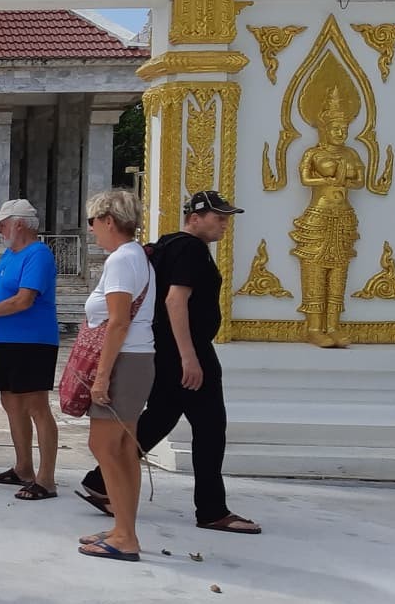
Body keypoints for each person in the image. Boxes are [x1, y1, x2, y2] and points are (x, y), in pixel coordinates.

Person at [80, 191, 260, 535]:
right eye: (217, 217)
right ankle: (211, 509)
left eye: (226, 217)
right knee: (209, 428)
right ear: (195, 217)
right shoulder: (189, 248)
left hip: (163, 351)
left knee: (160, 417)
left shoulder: (163, 247)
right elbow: (176, 301)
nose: (224, 224)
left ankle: (102, 481)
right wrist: (189, 356)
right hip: (185, 351)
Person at [76, 190, 157, 562]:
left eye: (94, 222)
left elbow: (118, 321)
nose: (92, 230)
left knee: (105, 446)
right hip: (138, 357)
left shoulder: (122, 260)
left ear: (109, 220)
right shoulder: (135, 256)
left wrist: (101, 376)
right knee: (123, 449)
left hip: (124, 360)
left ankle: (126, 535)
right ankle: (124, 527)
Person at [0, 199, 60, 501]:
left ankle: (46, 479)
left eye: (3, 224)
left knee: (35, 405)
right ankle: (23, 467)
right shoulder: (10, 253)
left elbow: (23, 300)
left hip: (33, 341)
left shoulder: (38, 254)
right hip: (6, 340)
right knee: (11, 401)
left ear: (19, 224)